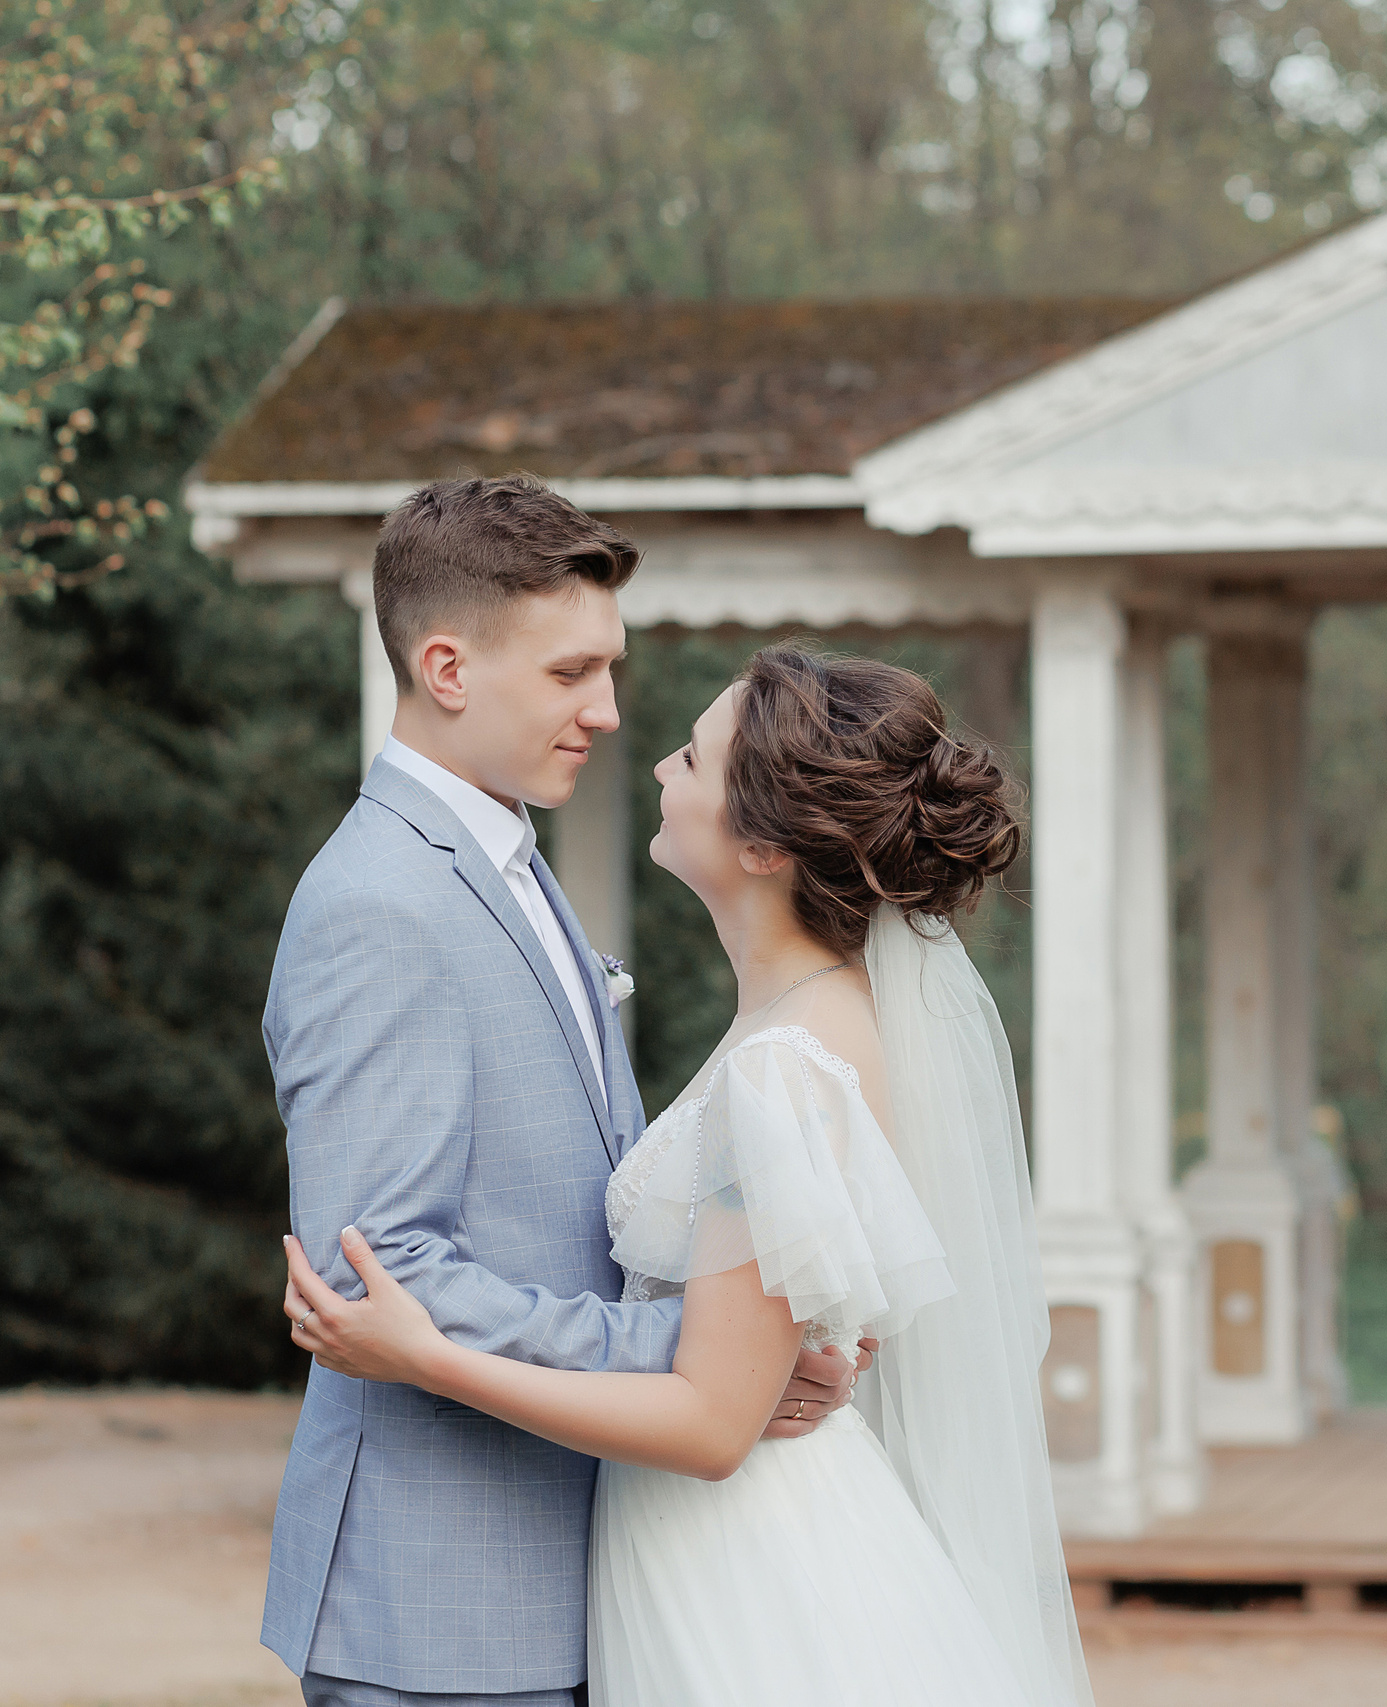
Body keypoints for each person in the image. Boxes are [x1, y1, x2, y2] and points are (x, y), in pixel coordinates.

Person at [283, 644, 1095, 1706]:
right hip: (733, 1530)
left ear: (761, 844)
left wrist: (426, 1356)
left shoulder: (782, 1070)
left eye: (693, 757)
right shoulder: (822, 1025)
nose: (659, 763)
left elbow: (713, 1425)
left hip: (743, 1567)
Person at [258, 475, 873, 1707]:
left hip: (570, 1570)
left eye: (609, 669)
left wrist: (743, 1347)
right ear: (446, 668)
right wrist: (696, 1356)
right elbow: (380, 1274)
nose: (606, 711)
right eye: (569, 673)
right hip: (442, 1604)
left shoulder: (508, 860)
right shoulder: (379, 905)